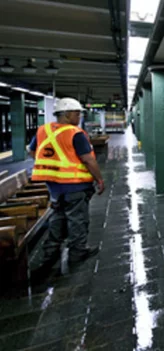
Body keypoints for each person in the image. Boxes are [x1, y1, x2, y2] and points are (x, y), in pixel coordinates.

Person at [28, 98, 105, 272]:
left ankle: (51, 253)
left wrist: (51, 164)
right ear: (67, 114)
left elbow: (33, 151)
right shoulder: (75, 133)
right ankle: (77, 254)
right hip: (75, 185)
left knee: (57, 217)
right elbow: (88, 159)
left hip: (54, 186)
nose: (78, 117)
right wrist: (99, 179)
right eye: (77, 114)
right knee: (77, 219)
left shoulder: (43, 130)